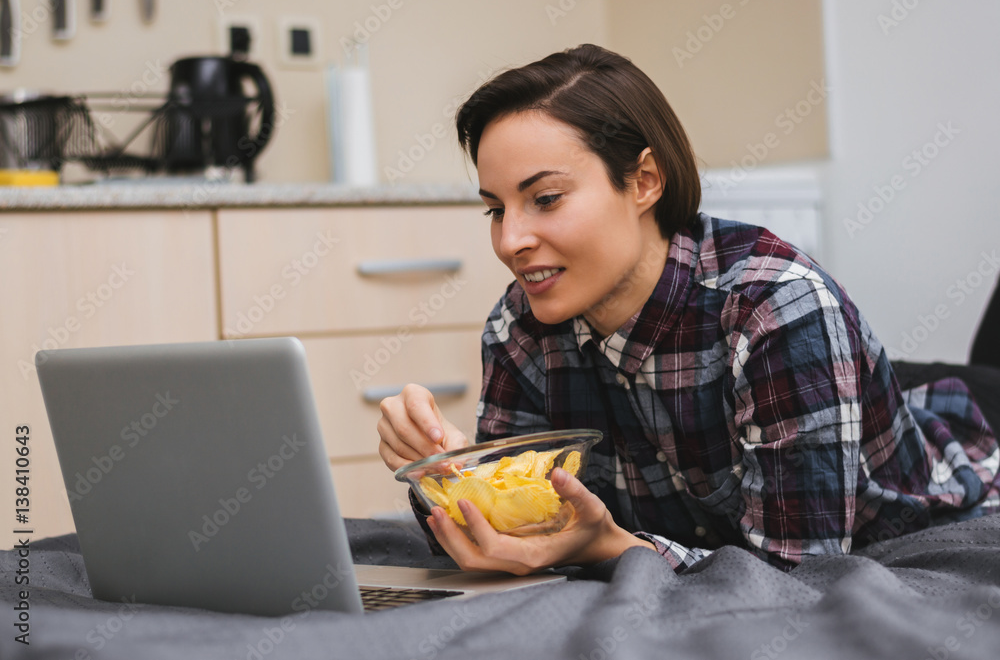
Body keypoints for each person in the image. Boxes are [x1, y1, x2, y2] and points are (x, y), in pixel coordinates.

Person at [377, 44, 1000, 574]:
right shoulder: (521, 326)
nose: (510, 241)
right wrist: (450, 473)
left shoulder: (778, 309)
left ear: (645, 181)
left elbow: (800, 575)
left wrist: (613, 547)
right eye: (495, 209)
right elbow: (525, 534)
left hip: (925, 513)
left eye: (544, 198)